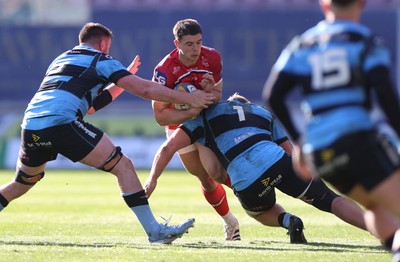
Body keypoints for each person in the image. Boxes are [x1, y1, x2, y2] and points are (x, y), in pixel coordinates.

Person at [0, 22, 217, 244]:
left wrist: (122, 81)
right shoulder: (101, 60)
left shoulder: (62, 59)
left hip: (32, 124)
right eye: (109, 46)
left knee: (23, 182)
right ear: (103, 43)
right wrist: (191, 98)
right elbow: (145, 89)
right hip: (61, 122)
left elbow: (92, 106)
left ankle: (155, 231)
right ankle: (155, 231)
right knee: (123, 166)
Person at [262, 0, 400, 258]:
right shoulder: (366, 42)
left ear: (325, 6)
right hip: (356, 140)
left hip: (320, 151)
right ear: (362, 3)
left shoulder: (301, 44)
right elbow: (385, 94)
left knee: (376, 208)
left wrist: (301, 141)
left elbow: (273, 94)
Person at [144, 93, 369, 244]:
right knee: (330, 199)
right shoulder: (262, 112)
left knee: (260, 212)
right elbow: (290, 151)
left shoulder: (202, 118)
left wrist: (152, 180)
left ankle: (288, 220)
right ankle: (381, 229)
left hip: (247, 180)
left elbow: (176, 152)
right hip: (280, 161)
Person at [151, 18, 240, 241]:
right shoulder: (164, 70)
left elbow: (217, 97)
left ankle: (256, 194)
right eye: (189, 44)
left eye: (198, 43)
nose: (195, 49)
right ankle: (231, 222)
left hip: (204, 118)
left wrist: (209, 92)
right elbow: (160, 116)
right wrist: (188, 111)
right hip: (179, 123)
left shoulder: (212, 57)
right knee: (204, 178)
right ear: (177, 43)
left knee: (216, 171)